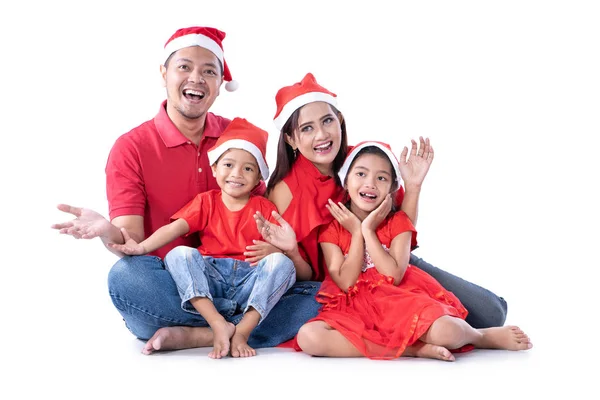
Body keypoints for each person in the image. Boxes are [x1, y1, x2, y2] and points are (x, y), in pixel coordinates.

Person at [51, 26, 320, 354]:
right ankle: (240, 327)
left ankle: (197, 334)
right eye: (184, 67)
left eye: (209, 71)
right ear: (164, 73)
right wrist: (108, 230)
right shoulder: (131, 147)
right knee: (126, 278)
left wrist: (282, 253)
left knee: (319, 292)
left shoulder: (236, 137)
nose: (196, 78)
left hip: (244, 279)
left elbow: (262, 215)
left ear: (220, 84)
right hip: (174, 285)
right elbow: (134, 245)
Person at [260, 73, 508, 332]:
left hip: (388, 262)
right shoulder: (284, 191)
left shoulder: (361, 161)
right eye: (307, 128)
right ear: (291, 139)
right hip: (338, 283)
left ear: (340, 121)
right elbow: (300, 270)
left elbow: (402, 227)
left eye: (327, 121)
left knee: (492, 314)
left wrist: (412, 188)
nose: (321, 135)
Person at [290, 141, 532, 360]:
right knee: (309, 336)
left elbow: (392, 274)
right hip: (358, 310)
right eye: (361, 174)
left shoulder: (398, 223)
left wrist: (368, 231)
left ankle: (481, 336)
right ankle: (413, 349)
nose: (370, 184)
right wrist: (355, 233)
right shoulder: (332, 229)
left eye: (382, 178)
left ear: (393, 188)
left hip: (399, 302)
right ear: (346, 180)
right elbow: (345, 282)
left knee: (446, 331)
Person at [107, 118, 296, 358]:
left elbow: (281, 247)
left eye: (248, 168)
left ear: (259, 177)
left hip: (250, 280)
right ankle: (216, 321)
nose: (236, 174)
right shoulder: (206, 202)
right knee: (178, 255)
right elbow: (172, 230)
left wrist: (277, 251)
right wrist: (141, 247)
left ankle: (241, 330)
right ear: (214, 168)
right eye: (228, 165)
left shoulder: (264, 207)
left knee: (288, 269)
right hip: (211, 279)